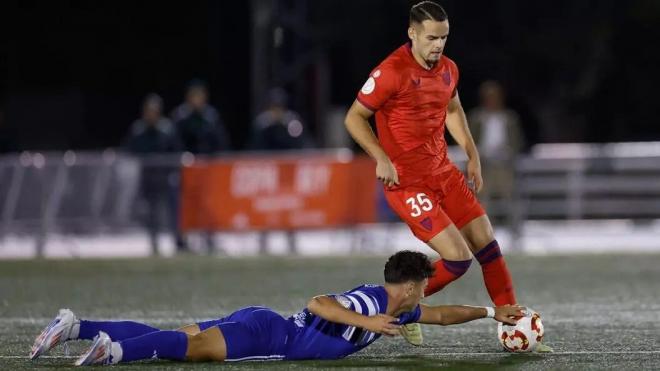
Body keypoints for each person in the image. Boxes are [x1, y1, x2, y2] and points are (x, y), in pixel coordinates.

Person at [344, 1, 550, 351]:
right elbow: (353, 118)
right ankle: (402, 309)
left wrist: (472, 154)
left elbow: (452, 109)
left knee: (488, 242)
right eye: (430, 38)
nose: (437, 44)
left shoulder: (448, 69)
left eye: (443, 37)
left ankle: (513, 324)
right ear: (412, 33)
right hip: (406, 183)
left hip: (444, 174)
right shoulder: (391, 71)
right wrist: (380, 157)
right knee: (458, 259)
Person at [29, 251, 523, 365]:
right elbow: (318, 304)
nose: (426, 295)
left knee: (178, 335)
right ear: (413, 284)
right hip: (272, 337)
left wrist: (488, 311)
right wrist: (366, 321)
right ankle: (111, 352)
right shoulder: (374, 301)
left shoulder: (402, 309)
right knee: (189, 349)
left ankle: (78, 326)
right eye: (426, 286)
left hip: (264, 321)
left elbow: (441, 315)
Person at [123, 93, 186, 255]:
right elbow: (130, 152)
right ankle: (154, 243)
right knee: (151, 215)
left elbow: (176, 152)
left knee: (174, 213)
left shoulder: (167, 129)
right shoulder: (138, 131)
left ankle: (178, 242)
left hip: (166, 179)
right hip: (147, 179)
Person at [467, 80, 524, 221]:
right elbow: (467, 140)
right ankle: (485, 232)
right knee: (482, 199)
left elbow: (518, 141)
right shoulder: (477, 118)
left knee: (511, 197)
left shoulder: (510, 118)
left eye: (494, 96)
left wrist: (510, 152)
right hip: (484, 164)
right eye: (488, 97)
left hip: (504, 163)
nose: (492, 100)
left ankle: (515, 230)